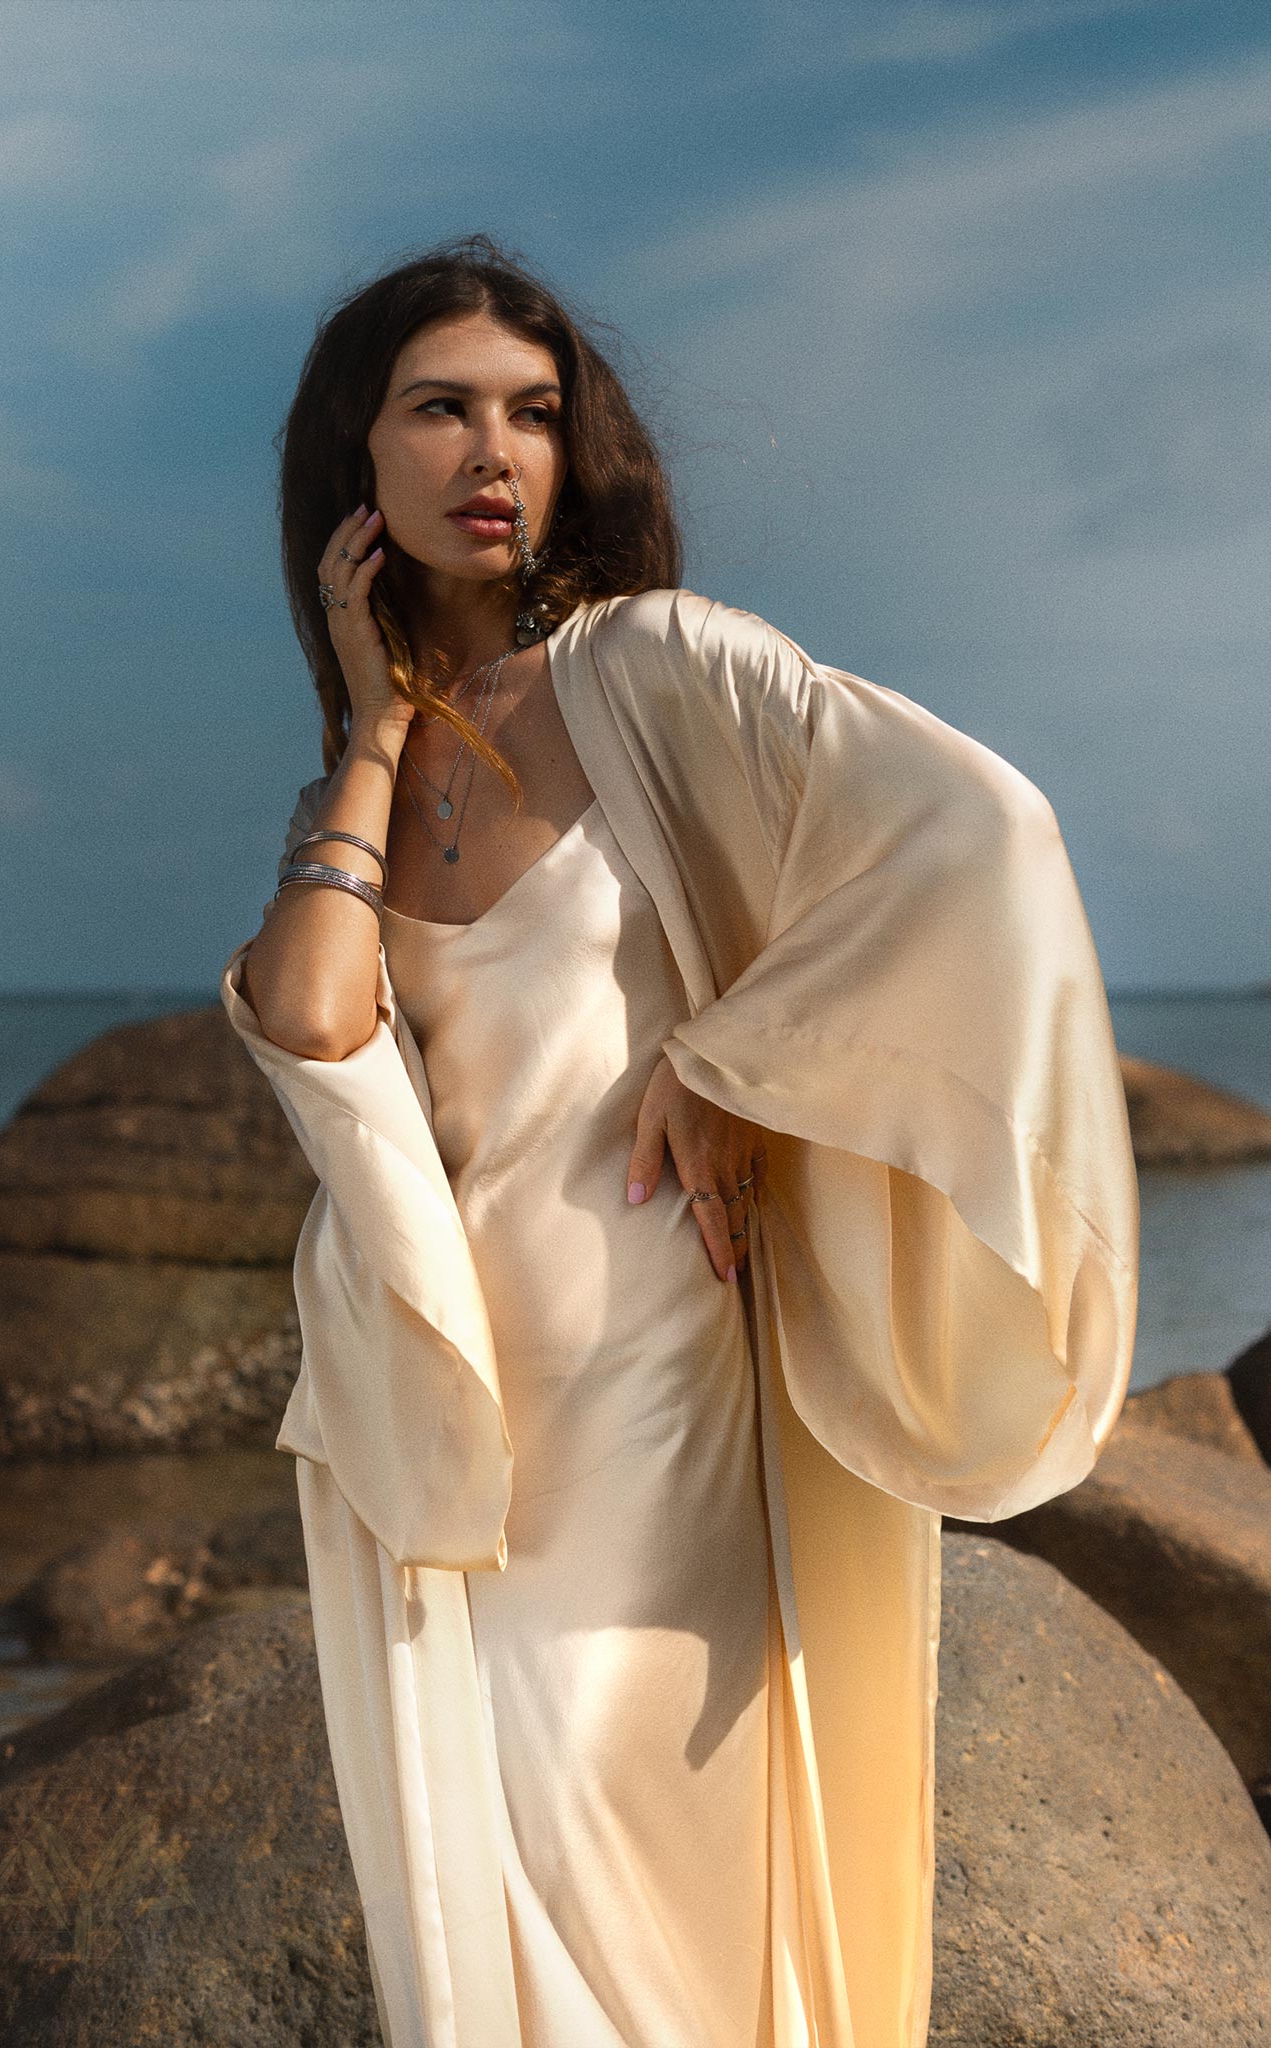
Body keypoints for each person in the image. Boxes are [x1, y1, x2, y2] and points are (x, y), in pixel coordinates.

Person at [220, 232, 1139, 2048]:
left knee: (634, 1893)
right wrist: (371, 714)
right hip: (429, 1417)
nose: (497, 453)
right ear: (358, 466)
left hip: (652, 1373)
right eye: (441, 411)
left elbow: (983, 836)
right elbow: (316, 1020)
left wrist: (734, 1057)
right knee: (484, 1914)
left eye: (535, 413)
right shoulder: (378, 770)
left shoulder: (657, 671)